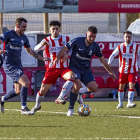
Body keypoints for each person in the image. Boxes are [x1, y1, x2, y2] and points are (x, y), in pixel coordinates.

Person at [53, 26, 116, 116]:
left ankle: (79, 92)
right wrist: (57, 58)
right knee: (77, 84)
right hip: (75, 68)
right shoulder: (77, 41)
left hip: (86, 70)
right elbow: (64, 48)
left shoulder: (95, 46)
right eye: (90, 36)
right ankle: (71, 108)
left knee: (94, 87)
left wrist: (110, 72)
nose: (92, 38)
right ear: (86, 34)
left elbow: (102, 60)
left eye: (94, 37)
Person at [0, 17, 50, 115]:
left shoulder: (24, 38)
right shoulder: (8, 34)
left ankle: (2, 99)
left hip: (18, 65)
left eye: (26, 27)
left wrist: (42, 58)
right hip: (9, 64)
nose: (25, 29)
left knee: (18, 90)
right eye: (23, 27)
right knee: (26, 82)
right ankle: (24, 108)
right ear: (17, 25)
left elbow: (31, 51)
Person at [30, 20, 75, 114]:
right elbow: (35, 49)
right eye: (53, 29)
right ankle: (37, 106)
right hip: (51, 69)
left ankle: (61, 97)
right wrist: (41, 45)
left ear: (59, 30)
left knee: (71, 77)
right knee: (42, 91)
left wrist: (68, 54)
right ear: (50, 30)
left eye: (57, 29)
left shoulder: (66, 38)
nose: (55, 31)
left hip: (64, 68)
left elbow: (71, 50)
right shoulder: (46, 40)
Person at [108, 30, 140, 108]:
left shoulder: (136, 46)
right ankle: (120, 103)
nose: (128, 38)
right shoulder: (120, 46)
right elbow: (112, 55)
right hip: (123, 70)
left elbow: (139, 56)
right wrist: (109, 63)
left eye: (129, 37)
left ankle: (129, 102)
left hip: (133, 70)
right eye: (126, 37)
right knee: (121, 87)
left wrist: (138, 66)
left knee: (132, 85)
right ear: (124, 37)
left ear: (131, 37)